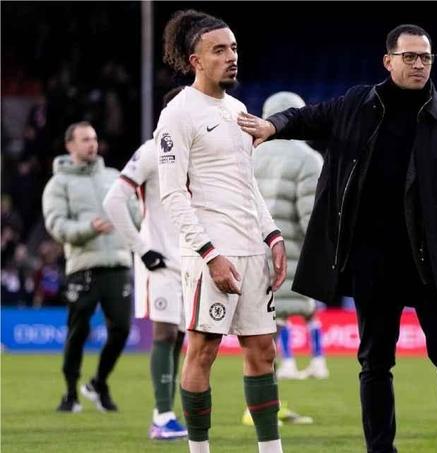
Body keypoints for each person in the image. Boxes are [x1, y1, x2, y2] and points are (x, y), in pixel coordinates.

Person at [240, 24, 437, 453]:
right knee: (374, 363)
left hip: (435, 261)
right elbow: (304, 117)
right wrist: (272, 125)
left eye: (425, 57)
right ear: (388, 61)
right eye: (409, 56)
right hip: (374, 262)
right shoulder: (356, 104)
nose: (419, 64)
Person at [156, 10, 286, 453]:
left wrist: (272, 235)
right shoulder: (178, 114)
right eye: (219, 50)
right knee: (203, 350)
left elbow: (247, 184)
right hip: (211, 254)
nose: (231, 57)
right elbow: (173, 195)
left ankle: (271, 449)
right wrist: (209, 254)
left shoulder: (237, 111)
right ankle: (199, 450)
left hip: (251, 250)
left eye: (233, 48)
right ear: (196, 61)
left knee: (263, 351)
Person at [102, 87, 188, 439]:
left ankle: (165, 414)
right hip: (160, 261)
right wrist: (141, 248)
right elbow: (113, 200)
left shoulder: (198, 153)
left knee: (181, 338)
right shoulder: (153, 151)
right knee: (165, 333)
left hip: (193, 263)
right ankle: (163, 416)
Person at [42, 121, 133, 413]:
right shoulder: (58, 184)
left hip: (118, 264)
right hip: (83, 267)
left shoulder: (113, 177)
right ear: (70, 145)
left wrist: (135, 223)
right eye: (84, 139)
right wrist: (89, 229)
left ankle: (99, 383)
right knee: (77, 332)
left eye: (93, 138)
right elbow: (56, 225)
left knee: (121, 329)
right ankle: (70, 393)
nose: (92, 144)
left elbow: (135, 211)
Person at [253, 91, 328, 381]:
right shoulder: (308, 159)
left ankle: (286, 364)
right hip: (296, 247)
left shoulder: (252, 156)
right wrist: (322, 249)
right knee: (308, 309)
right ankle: (316, 361)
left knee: (275, 311)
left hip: (259, 246)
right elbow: (311, 213)